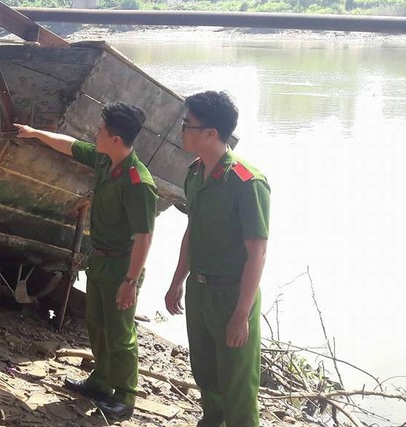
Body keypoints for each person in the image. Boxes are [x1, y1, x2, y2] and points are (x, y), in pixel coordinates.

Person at [15, 102, 158, 420]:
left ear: (117, 139)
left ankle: (125, 397)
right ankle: (101, 381)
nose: (96, 134)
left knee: (120, 332)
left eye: (101, 130)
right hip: (100, 259)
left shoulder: (138, 183)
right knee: (97, 323)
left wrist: (130, 281)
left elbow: (144, 238)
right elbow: (70, 146)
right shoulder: (106, 161)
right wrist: (35, 133)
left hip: (123, 266)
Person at [164, 91, 271, 427]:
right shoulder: (195, 173)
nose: (182, 130)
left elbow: (258, 252)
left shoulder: (246, 181)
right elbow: (192, 231)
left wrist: (242, 314)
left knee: (238, 385)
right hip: (200, 291)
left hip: (232, 295)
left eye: (188, 124)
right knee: (206, 375)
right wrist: (176, 281)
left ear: (211, 133)